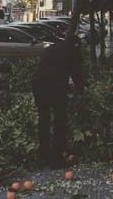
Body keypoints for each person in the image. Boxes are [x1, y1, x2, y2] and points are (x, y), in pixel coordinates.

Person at [32, 33, 85, 168]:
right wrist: (81, 92)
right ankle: (57, 156)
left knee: (43, 118)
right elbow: (77, 74)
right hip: (55, 85)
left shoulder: (53, 47)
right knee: (59, 119)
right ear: (77, 45)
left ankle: (43, 153)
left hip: (38, 83)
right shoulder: (73, 51)